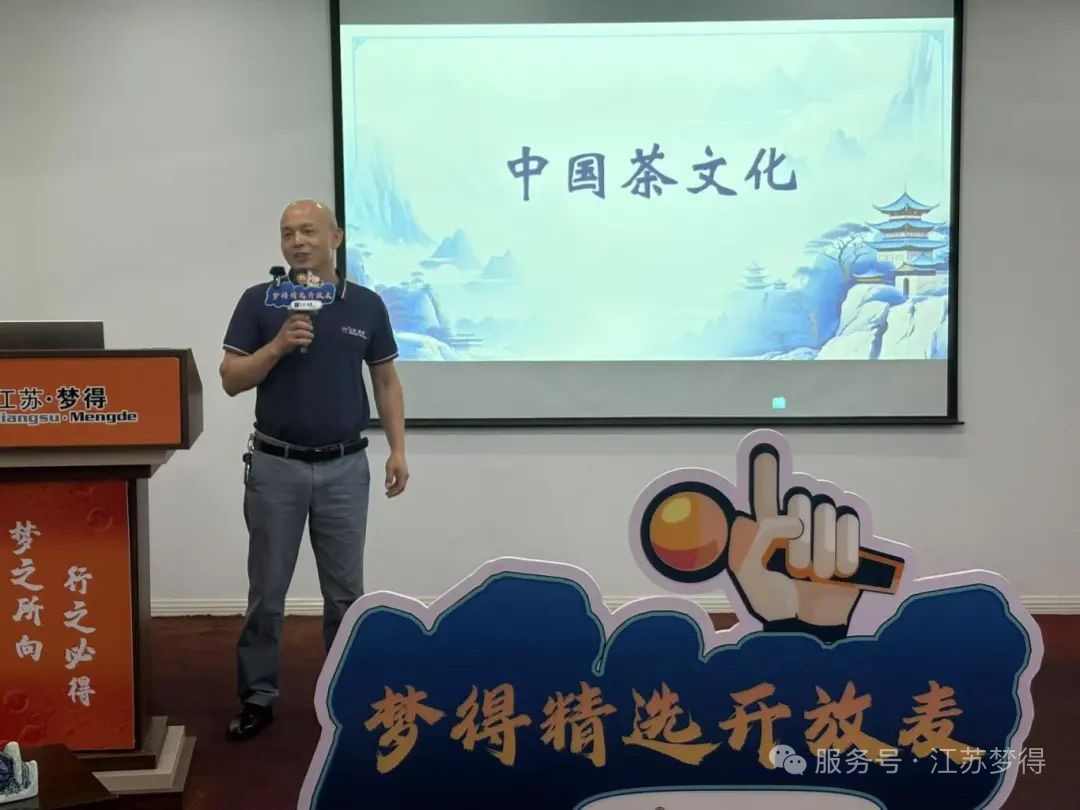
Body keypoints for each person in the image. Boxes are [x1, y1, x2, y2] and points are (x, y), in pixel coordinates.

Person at [219, 199, 408, 741]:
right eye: (287, 233)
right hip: (275, 466)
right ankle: (257, 696)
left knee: (346, 595)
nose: (297, 242)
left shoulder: (366, 305)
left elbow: (386, 381)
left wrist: (398, 449)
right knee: (267, 593)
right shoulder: (260, 301)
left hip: (345, 466)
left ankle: (346, 695)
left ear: (336, 238)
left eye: (307, 231)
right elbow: (231, 378)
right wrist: (277, 345)